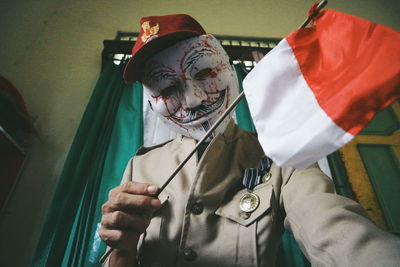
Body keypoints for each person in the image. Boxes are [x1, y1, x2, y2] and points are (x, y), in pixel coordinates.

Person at [99, 14, 400, 266]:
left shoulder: (280, 156)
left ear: (229, 69)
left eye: (203, 72)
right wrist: (121, 251)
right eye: (166, 89)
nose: (192, 101)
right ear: (151, 101)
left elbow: (330, 225)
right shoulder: (141, 165)